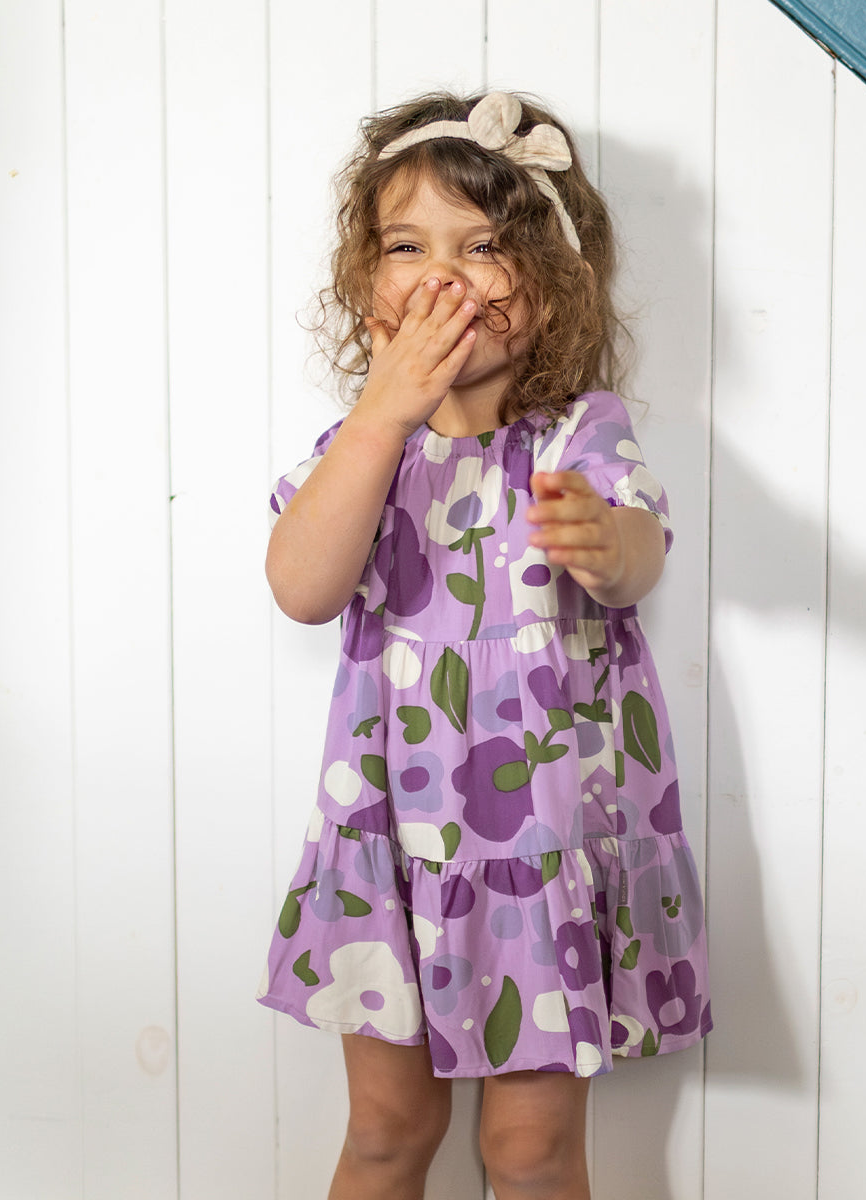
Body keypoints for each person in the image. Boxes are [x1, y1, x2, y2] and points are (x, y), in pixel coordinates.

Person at [258, 90, 711, 1200]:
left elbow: (642, 550)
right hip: (394, 840)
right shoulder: (364, 453)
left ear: (551, 284)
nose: (445, 276)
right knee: (384, 1133)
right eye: (408, 246)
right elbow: (302, 587)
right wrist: (380, 414)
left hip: (543, 849)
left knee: (529, 1151)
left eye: (486, 246)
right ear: (369, 288)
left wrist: (606, 544)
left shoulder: (581, 433)